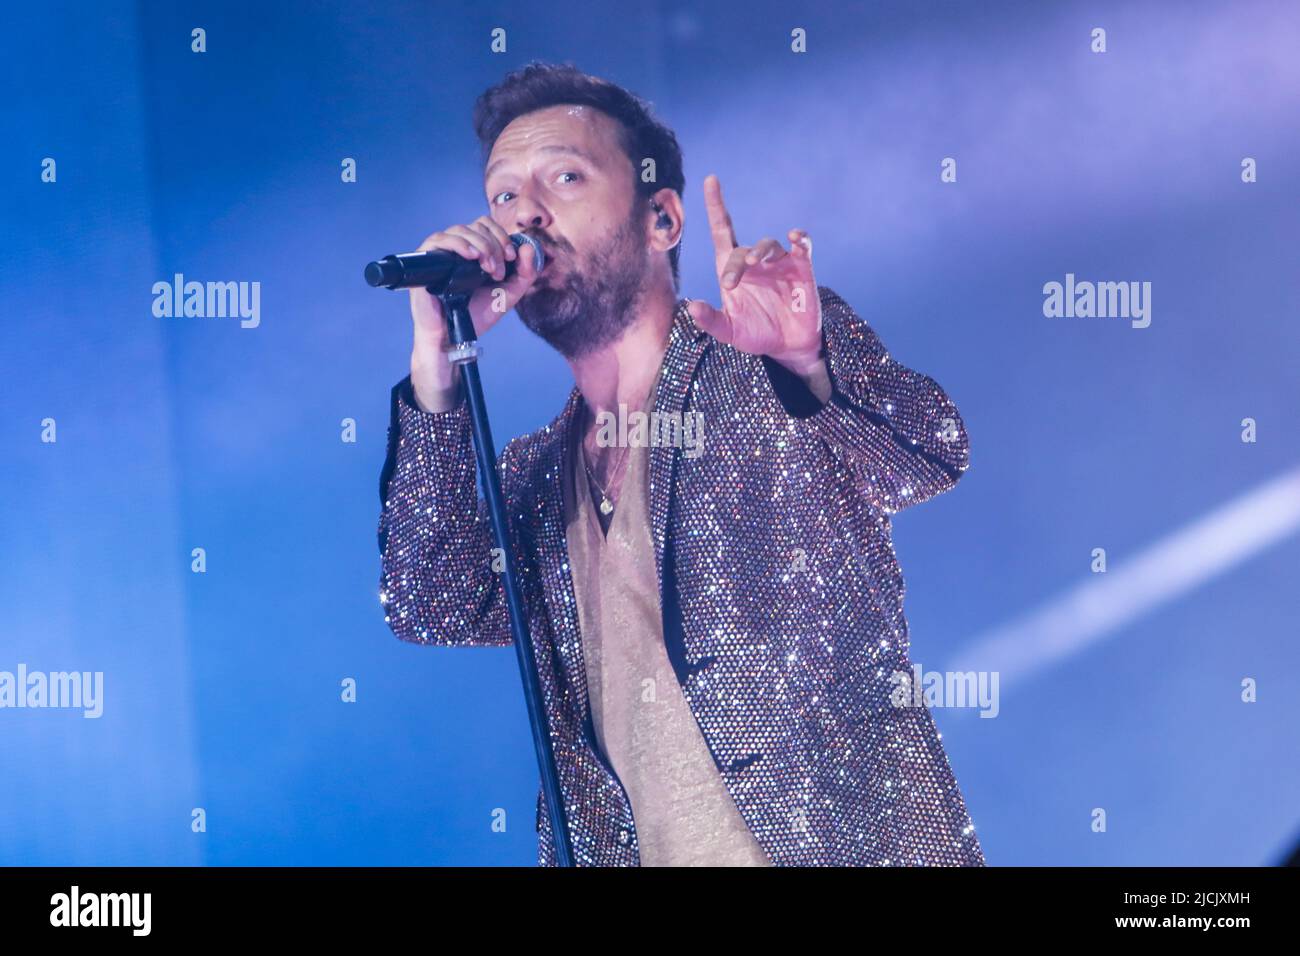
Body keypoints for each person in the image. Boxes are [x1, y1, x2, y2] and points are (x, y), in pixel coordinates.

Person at [377, 61, 984, 866]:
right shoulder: (532, 478)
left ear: (662, 217)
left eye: (564, 176)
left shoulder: (763, 364)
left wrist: (807, 368)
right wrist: (436, 360)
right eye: (503, 195)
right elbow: (432, 603)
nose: (526, 213)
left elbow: (926, 455)